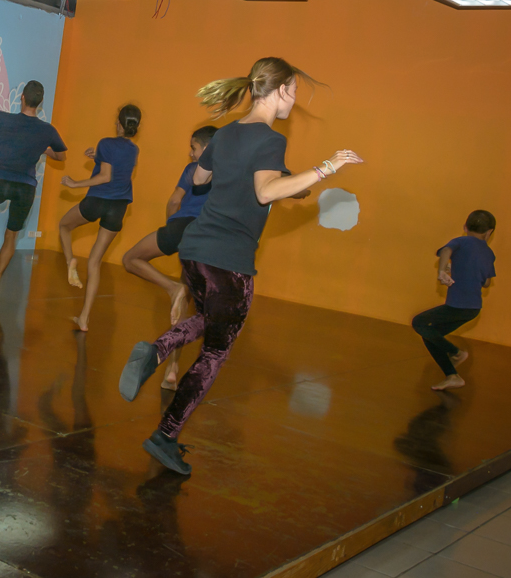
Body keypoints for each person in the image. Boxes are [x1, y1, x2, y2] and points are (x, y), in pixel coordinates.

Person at [118, 57, 363, 475]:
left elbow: (199, 180)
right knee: (215, 350)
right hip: (229, 259)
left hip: (195, 249)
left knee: (210, 321)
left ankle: (154, 360)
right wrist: (326, 168)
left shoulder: (227, 132)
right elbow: (266, 192)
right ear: (282, 89)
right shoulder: (270, 140)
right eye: (295, 92)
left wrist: (260, 176)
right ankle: (163, 425)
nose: (295, 101)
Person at [122, 125, 218, 389]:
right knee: (185, 302)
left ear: (207, 149)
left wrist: (171, 229)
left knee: (131, 259)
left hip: (183, 226)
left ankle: (171, 287)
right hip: (208, 236)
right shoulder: (229, 174)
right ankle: (173, 370)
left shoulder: (193, 171)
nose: (190, 154)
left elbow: (174, 201)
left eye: (194, 148)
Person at [0, 81, 67, 293]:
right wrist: (43, 149)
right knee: (11, 235)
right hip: (25, 188)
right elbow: (61, 156)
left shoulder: (3, 118)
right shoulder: (47, 130)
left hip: (0, 183)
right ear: (40, 102)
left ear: (22, 97)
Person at [58, 104, 141, 332]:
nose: (115, 123)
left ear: (120, 123)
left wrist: (76, 184)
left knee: (64, 226)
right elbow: (120, 170)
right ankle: (84, 319)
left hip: (97, 201)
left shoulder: (106, 142)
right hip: (119, 207)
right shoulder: (134, 150)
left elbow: (105, 176)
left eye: (117, 120)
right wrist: (98, 156)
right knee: (95, 262)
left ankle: (69, 261)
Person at [412, 210, 496, 392]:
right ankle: (452, 376)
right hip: (473, 309)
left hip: (458, 306)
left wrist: (442, 271)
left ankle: (457, 353)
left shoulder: (461, 241)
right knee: (430, 334)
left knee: (418, 322)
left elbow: (446, 251)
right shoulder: (489, 253)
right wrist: (458, 268)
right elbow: (487, 282)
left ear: (465, 227)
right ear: (489, 232)